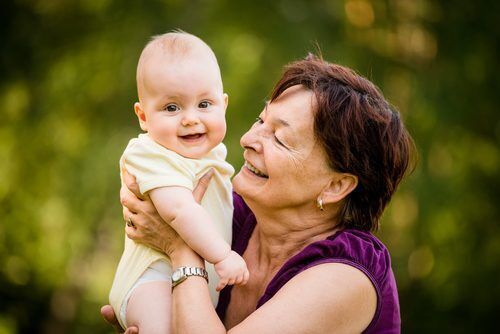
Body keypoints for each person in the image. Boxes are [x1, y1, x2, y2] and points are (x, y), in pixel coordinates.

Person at [103, 53, 415, 333]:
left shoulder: (347, 276)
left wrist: (181, 249)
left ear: (336, 186)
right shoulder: (230, 215)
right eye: (261, 120)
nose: (248, 139)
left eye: (279, 139)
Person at [108, 31, 249, 333]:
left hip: (188, 282)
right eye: (172, 108)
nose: (190, 118)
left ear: (223, 104)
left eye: (204, 104)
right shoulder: (150, 153)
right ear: (143, 116)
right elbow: (179, 210)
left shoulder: (212, 154)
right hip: (151, 281)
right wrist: (223, 256)